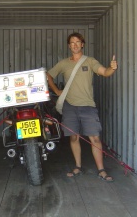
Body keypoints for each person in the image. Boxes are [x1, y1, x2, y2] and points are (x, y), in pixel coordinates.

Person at [47, 32, 117, 182]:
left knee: (95, 138)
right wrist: (56, 90)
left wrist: (112, 68)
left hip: (88, 106)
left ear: (82, 44)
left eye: (78, 42)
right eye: (72, 43)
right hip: (70, 106)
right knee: (74, 137)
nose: (75, 45)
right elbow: (48, 75)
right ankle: (78, 166)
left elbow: (104, 72)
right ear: (69, 46)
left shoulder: (90, 61)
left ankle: (101, 170)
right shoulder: (63, 63)